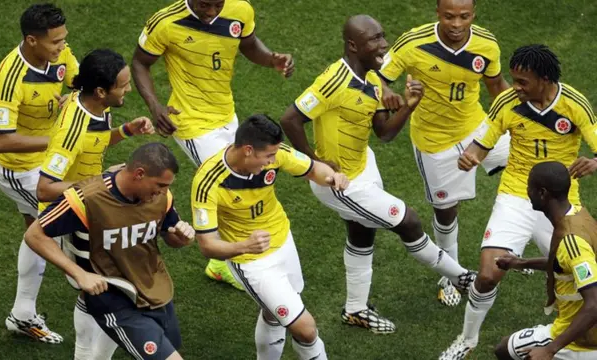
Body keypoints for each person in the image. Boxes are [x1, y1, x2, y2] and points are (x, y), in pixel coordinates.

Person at [280, 14, 476, 335]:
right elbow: (290, 119)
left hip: (363, 165)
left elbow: (384, 133)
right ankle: (463, 278)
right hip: (340, 183)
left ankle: (355, 310)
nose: (384, 44)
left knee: (361, 233)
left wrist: (409, 106)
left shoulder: (372, 81)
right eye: (374, 39)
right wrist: (316, 165)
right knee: (408, 220)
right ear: (353, 45)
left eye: (383, 36)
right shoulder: (333, 80)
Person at [440, 44, 597, 360]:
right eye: (514, 80)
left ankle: (573, 341)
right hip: (517, 193)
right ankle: (467, 340)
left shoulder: (575, 105)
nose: (516, 87)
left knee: (584, 277)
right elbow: (483, 142)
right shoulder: (507, 103)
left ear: (543, 79)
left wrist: (594, 163)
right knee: (487, 275)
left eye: (523, 82)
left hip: (560, 203)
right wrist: (472, 156)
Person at [132, 0, 295, 290]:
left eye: (217, 4)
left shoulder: (239, 9)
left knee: (248, 175)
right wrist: (155, 106)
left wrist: (271, 59)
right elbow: (140, 62)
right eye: (204, 5)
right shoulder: (166, 22)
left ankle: (220, 264)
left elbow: (249, 42)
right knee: (230, 182)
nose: (211, 12)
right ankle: (236, 263)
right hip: (190, 121)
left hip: (226, 113)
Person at [378, 0, 512, 306]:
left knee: (531, 175)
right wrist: (386, 90)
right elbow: (379, 75)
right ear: (438, 14)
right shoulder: (414, 43)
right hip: (434, 141)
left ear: (473, 15)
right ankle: (450, 274)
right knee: (446, 210)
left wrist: (518, 117)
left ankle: (523, 245)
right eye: (449, 16)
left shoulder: (486, 44)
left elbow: (495, 84)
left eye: (463, 16)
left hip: (478, 126)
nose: (456, 23)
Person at [192, 115, 347, 359]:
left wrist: (331, 178)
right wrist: (245, 245)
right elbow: (207, 245)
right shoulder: (208, 182)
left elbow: (314, 169)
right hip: (251, 261)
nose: (274, 161)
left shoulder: (275, 153)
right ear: (248, 150)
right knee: (306, 329)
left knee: (273, 314)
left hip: (283, 241)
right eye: (268, 157)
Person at [37, 48, 155, 360]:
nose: (129, 89)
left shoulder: (98, 108)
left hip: (95, 210)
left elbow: (99, 140)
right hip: (75, 218)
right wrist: (98, 186)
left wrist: (127, 131)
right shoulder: (72, 129)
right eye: (124, 85)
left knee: (112, 289)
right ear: (101, 91)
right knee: (114, 291)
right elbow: (45, 188)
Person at [26, 142, 192, 360]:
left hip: (154, 288)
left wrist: (179, 238)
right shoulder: (85, 198)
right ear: (139, 174)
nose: (163, 191)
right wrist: (79, 273)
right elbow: (34, 235)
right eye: (160, 185)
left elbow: (169, 236)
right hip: (113, 296)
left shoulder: (161, 198)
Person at [0, 3, 79, 344]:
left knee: (38, 228)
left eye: (63, 39)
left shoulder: (60, 53)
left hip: (45, 161)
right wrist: (56, 137)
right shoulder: (11, 76)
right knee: (62, 217)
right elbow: (4, 139)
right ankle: (80, 275)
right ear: (31, 40)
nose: (62, 47)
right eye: (55, 42)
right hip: (17, 169)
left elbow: (79, 82)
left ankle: (23, 314)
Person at [492, 161, 597, 360]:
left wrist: (550, 349)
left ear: (542, 193)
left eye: (529, 187)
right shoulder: (578, 215)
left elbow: (594, 304)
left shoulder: (571, 240)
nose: (527, 192)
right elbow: (562, 262)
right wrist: (520, 263)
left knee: (504, 349)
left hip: (581, 340)